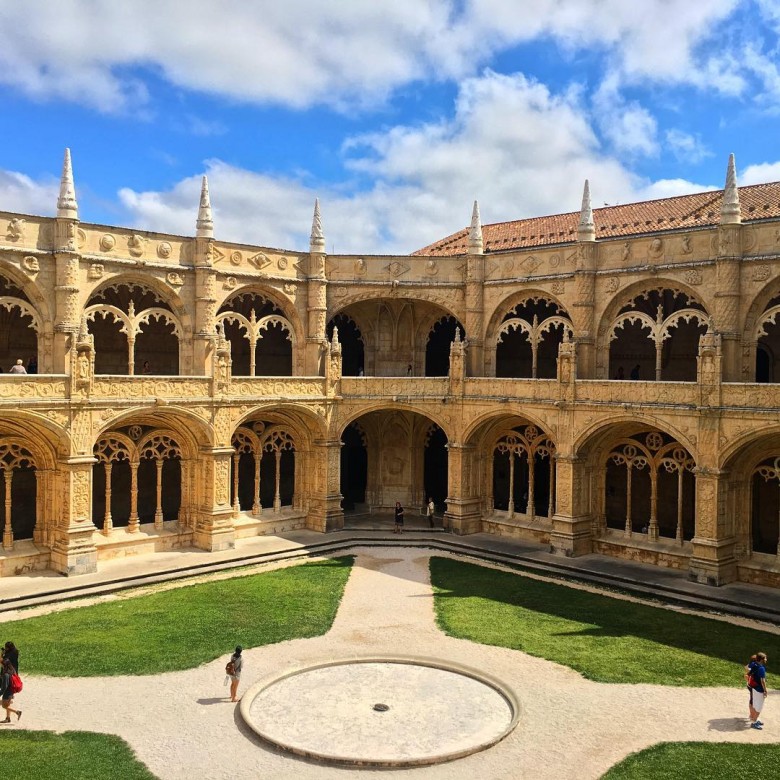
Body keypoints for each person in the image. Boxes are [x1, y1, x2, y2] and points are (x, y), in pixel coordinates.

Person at [746, 652, 768, 729]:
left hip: (753, 688)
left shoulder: (754, 664)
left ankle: (754, 719)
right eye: (765, 658)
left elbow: (747, 669)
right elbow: (762, 681)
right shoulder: (761, 668)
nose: (766, 659)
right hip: (759, 689)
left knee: (755, 704)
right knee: (759, 707)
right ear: (761, 659)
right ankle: (754, 722)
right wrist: (765, 690)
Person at [0, 658, 21, 722]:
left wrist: (0, 693)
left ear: (4, 665)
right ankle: (8, 718)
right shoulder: (12, 670)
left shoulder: (6, 674)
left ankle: (17, 712)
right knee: (8, 705)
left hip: (8, 692)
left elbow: (4, 687)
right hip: (12, 690)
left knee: (4, 706)